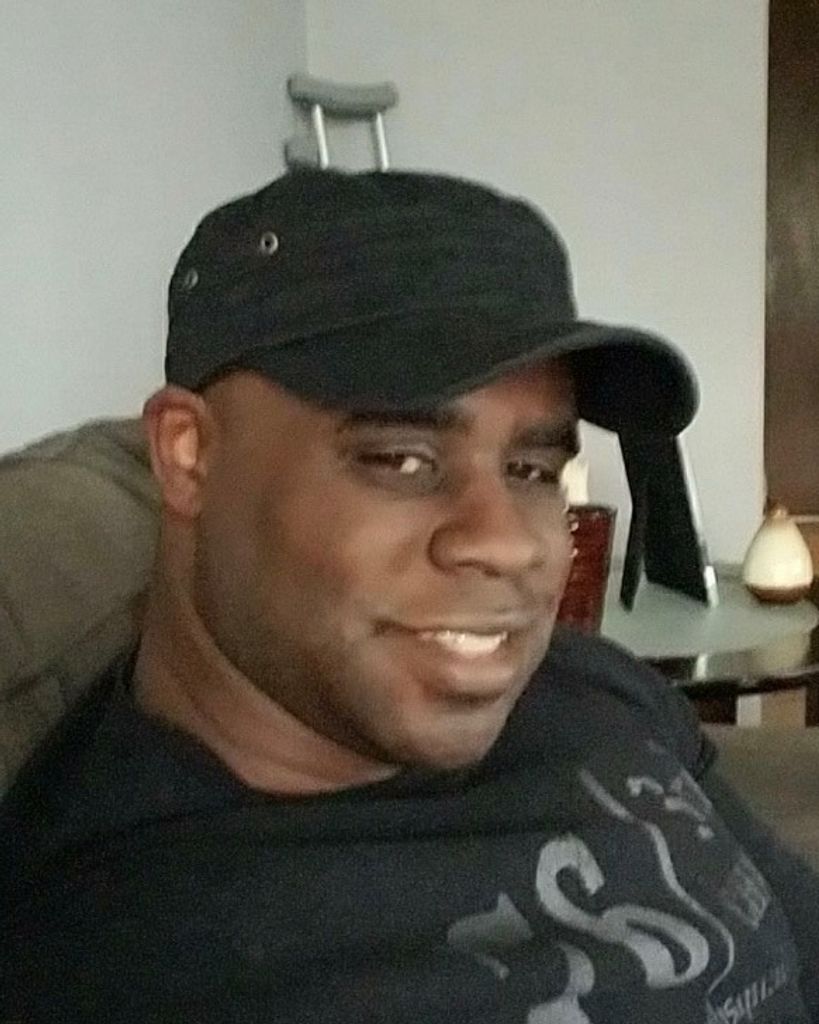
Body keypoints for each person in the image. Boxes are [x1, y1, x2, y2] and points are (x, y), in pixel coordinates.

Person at [1, 169, 818, 1023]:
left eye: (531, 470)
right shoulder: (118, 954)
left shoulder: (592, 685)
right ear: (188, 456)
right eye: (400, 460)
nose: (506, 542)